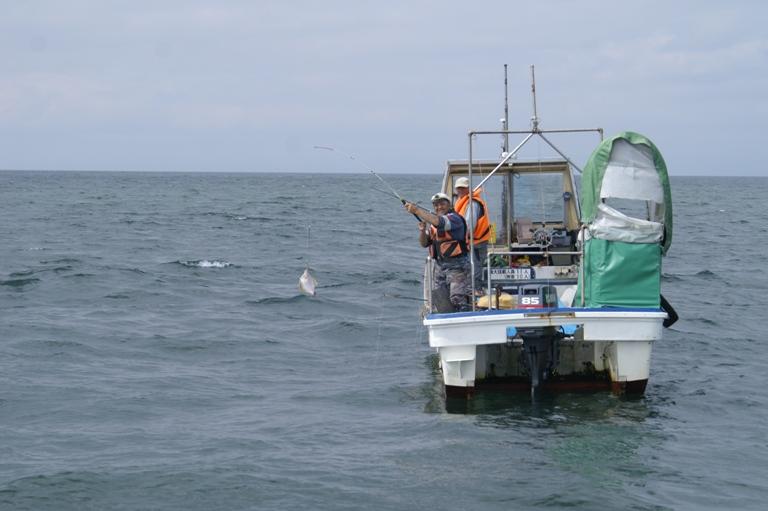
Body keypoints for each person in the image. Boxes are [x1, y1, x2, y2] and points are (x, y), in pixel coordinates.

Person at [404, 193, 470, 312]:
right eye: (436, 205)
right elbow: (424, 243)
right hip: (439, 268)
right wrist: (422, 231)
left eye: (442, 204)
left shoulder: (455, 219)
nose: (439, 207)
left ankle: (464, 315)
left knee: (457, 298)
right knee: (441, 300)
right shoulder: (434, 225)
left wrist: (417, 210)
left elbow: (440, 222)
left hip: (457, 267)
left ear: (449, 205)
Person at [453, 176, 491, 290]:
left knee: (475, 266)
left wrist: (463, 239)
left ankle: (476, 290)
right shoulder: (463, 202)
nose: (460, 190)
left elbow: (469, 225)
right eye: (458, 188)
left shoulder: (472, 203)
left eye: (463, 188)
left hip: (476, 242)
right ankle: (470, 289)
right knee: (470, 266)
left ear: (468, 188)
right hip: (469, 241)